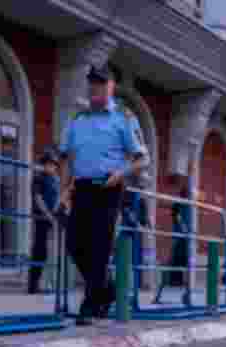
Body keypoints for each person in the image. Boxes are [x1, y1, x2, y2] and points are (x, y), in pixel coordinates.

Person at [59, 64, 148, 325]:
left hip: (108, 189)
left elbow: (142, 160)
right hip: (82, 189)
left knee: (99, 248)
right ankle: (107, 289)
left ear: (111, 87)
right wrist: (64, 192)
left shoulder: (123, 118)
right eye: (92, 83)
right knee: (74, 245)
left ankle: (91, 305)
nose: (94, 87)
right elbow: (65, 158)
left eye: (100, 83)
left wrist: (121, 173)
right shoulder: (77, 120)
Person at [28, 148, 61, 294]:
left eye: (53, 164)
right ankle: (33, 285)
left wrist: (57, 215)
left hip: (52, 218)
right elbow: (38, 198)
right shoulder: (39, 177)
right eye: (49, 164)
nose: (51, 167)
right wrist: (48, 215)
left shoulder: (55, 180)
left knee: (48, 252)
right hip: (42, 217)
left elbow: (57, 198)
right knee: (39, 250)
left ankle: (47, 284)